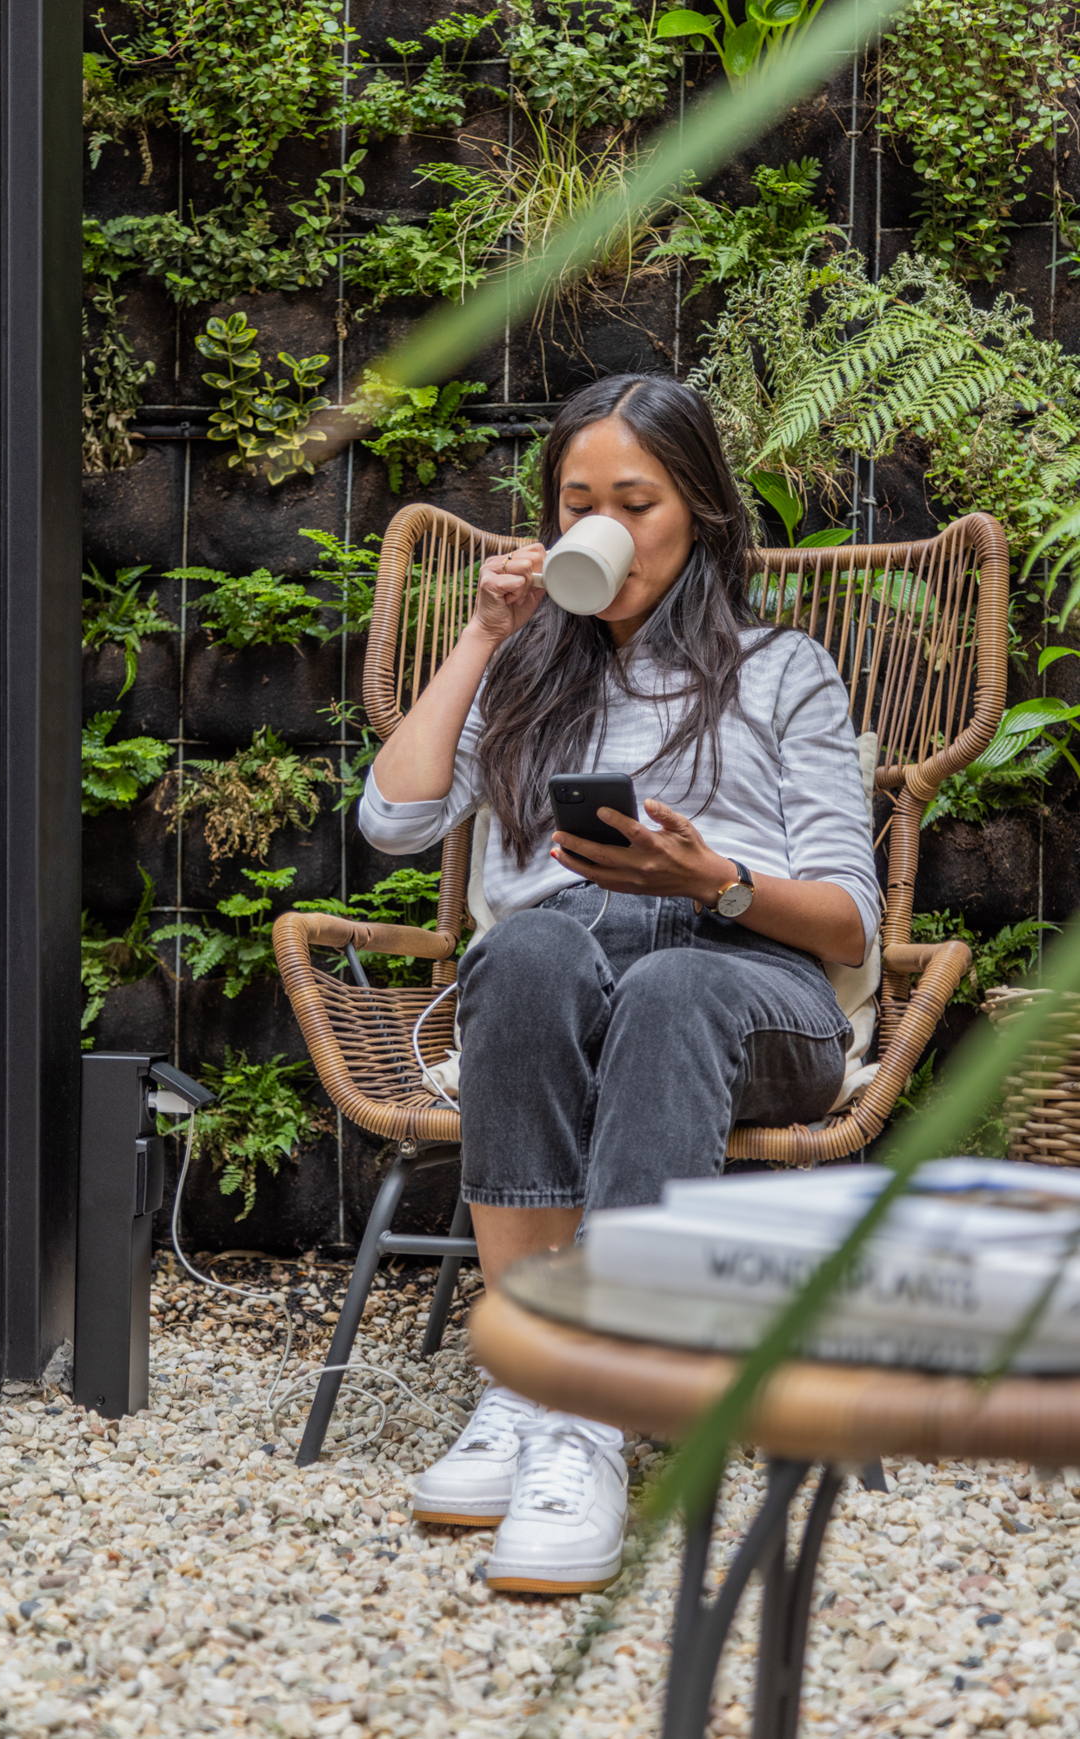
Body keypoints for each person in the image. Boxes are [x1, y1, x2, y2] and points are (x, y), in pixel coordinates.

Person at [358, 373, 879, 1596]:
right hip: (572, 964)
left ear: (696, 508)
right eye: (577, 501)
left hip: (752, 984)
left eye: (634, 501)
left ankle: (584, 1412)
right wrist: (485, 636)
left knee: (671, 992)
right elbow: (391, 817)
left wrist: (715, 878)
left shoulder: (783, 668)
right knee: (530, 948)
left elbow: (850, 920)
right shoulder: (529, 672)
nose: (606, 525)